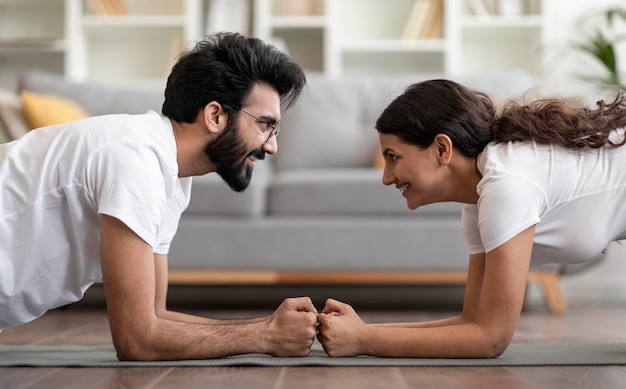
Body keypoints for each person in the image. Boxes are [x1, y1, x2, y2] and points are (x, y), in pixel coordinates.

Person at [0, 32, 319, 361]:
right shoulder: (136, 158)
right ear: (214, 116)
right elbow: (137, 340)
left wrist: (271, 325)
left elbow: (156, 316)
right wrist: (265, 335)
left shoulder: (169, 174)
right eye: (265, 124)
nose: (272, 145)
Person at [316, 79, 626, 358]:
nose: (386, 178)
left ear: (441, 149)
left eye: (394, 157)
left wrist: (365, 340)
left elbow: (491, 339)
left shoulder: (506, 184)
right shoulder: (479, 200)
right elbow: (473, 321)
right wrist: (361, 331)